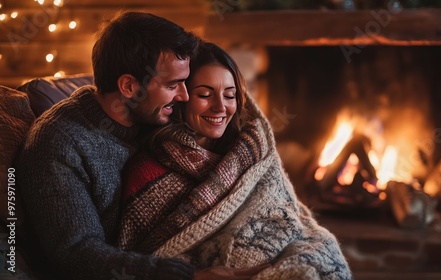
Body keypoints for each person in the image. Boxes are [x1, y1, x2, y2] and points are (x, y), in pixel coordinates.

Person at [16, 12, 266, 280]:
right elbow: (77, 253)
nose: (183, 95)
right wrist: (188, 276)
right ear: (128, 86)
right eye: (173, 85)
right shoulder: (59, 143)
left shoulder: (153, 114)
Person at [118, 42, 353, 280]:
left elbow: (290, 218)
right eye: (205, 95)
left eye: (229, 95)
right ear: (180, 98)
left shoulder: (250, 151)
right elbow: (145, 257)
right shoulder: (148, 172)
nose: (220, 107)